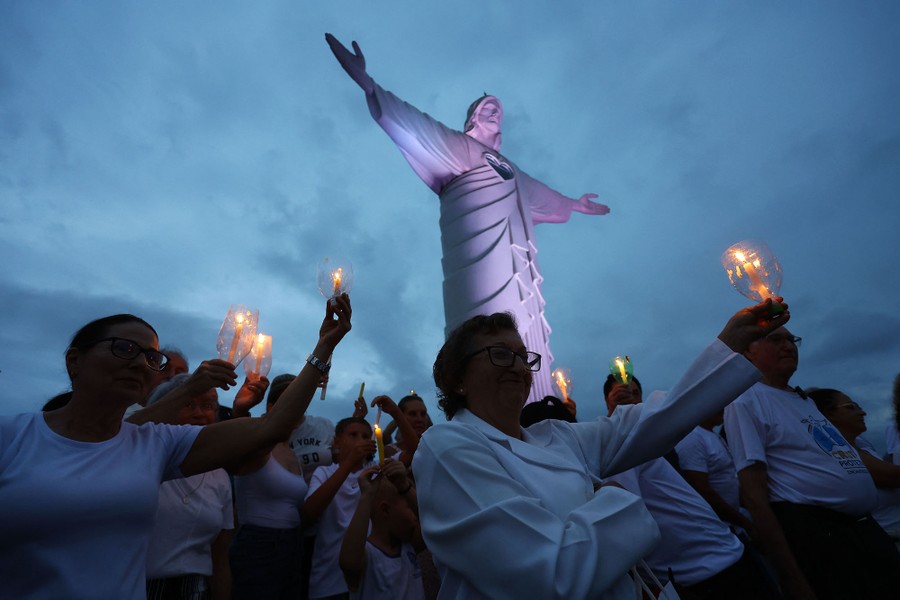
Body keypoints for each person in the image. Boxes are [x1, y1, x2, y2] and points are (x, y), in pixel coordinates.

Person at [413, 299, 788, 599]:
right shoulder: (447, 446)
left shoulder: (557, 436)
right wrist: (617, 500)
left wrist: (730, 345)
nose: (518, 366)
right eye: (499, 354)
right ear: (458, 379)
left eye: (522, 356)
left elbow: (661, 416)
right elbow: (551, 577)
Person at [0, 295, 353, 598]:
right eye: (124, 349)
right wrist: (187, 388)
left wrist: (324, 346)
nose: (141, 362)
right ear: (74, 361)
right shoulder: (13, 436)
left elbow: (271, 426)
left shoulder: (156, 444)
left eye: (151, 357)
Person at [326, 33, 610, 403]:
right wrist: (368, 83)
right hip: (476, 263)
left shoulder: (512, 170)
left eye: (500, 110)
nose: (495, 111)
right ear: (473, 117)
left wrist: (574, 204)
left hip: (518, 271)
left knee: (523, 337)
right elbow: (414, 123)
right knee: (484, 338)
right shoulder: (463, 148)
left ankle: (538, 406)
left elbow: (543, 195)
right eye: (487, 107)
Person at [724, 327, 900, 599]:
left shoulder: (802, 400)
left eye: (791, 340)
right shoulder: (746, 400)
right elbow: (754, 495)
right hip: (824, 539)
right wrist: (792, 578)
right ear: (749, 351)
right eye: (775, 339)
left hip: (863, 531)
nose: (788, 346)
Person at [600, 377, 763, 599]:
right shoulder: (615, 444)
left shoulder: (661, 438)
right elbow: (622, 513)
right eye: (622, 394)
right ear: (608, 401)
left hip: (722, 554)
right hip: (699, 573)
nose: (631, 398)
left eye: (636, 393)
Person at [143, 373, 235, 600]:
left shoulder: (219, 475)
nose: (199, 414)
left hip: (195, 591)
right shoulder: (143, 460)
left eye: (208, 406)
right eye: (188, 404)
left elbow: (220, 557)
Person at [810, 388, 900, 547]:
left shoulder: (861, 445)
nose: (862, 412)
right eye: (851, 407)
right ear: (828, 415)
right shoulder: (836, 452)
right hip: (885, 539)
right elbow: (893, 477)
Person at [304, 417, 377, 600]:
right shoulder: (325, 472)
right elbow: (309, 513)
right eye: (353, 435)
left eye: (365, 437)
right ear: (336, 441)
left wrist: (394, 412)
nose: (360, 441)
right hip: (328, 582)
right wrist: (348, 464)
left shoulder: (375, 473)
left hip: (370, 581)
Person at [340, 461, 426, 600]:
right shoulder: (368, 557)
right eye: (409, 507)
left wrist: (405, 487)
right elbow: (349, 563)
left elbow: (428, 521)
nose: (416, 516)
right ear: (385, 509)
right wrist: (366, 496)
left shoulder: (409, 547)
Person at [675, 409, 754, 534]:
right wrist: (745, 523)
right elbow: (702, 490)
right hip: (718, 527)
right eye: (718, 405)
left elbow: (729, 475)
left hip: (734, 522)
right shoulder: (692, 438)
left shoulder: (712, 434)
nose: (723, 409)